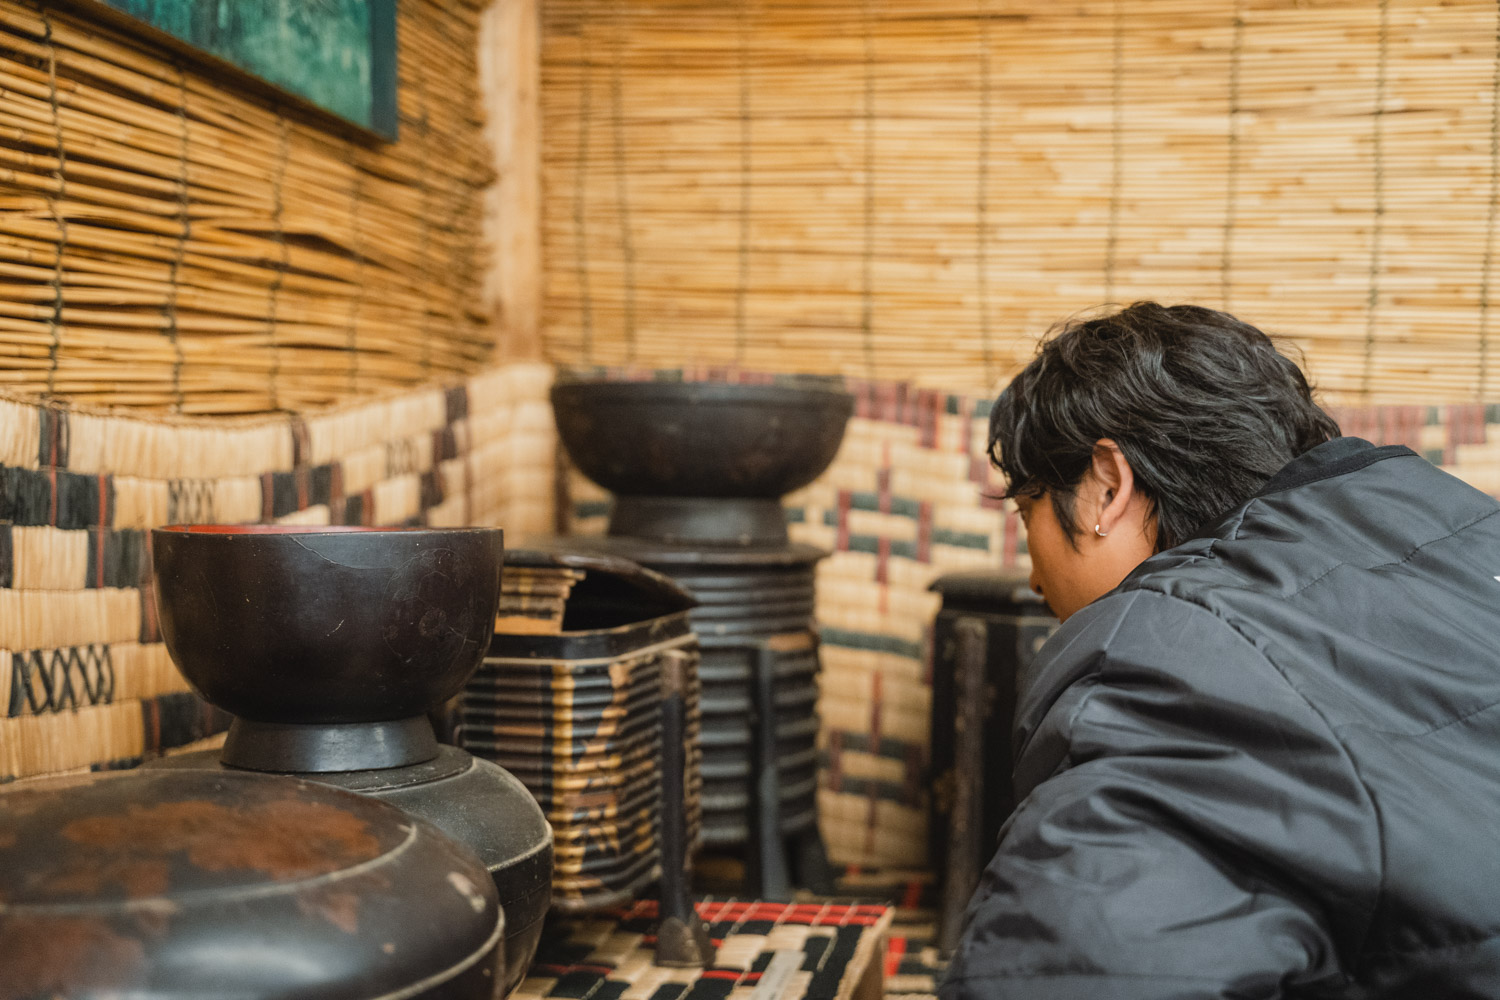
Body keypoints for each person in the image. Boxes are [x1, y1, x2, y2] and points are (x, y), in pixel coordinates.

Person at [939, 302, 1500, 999]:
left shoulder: (1171, 662)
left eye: (1028, 515)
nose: (1031, 573)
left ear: (1106, 487)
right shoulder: (1474, 537)